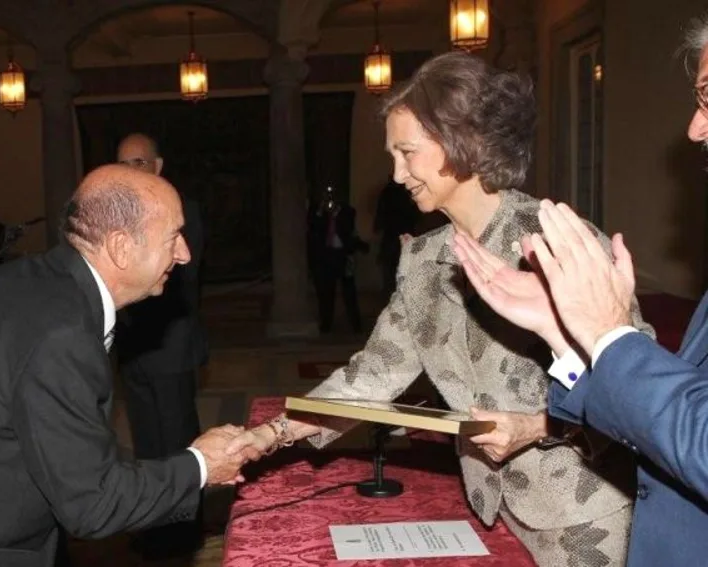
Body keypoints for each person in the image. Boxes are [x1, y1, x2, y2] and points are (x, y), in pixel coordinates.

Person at [225, 51, 650, 565]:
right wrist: (271, 434)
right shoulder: (424, 260)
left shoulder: (558, 243)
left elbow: (638, 391)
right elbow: (373, 374)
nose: (397, 173)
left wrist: (535, 427)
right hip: (492, 505)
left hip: (583, 513)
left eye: (407, 152)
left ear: (461, 141)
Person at [0, 164, 253, 567]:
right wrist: (200, 465)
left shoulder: (30, 280)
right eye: (173, 236)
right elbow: (93, 503)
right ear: (122, 247)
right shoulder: (61, 333)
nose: (184, 254)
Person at [450, 15, 708, 565]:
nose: (694, 127)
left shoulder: (544, 227)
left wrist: (609, 335)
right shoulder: (426, 253)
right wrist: (565, 341)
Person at [114, 132, 210, 558]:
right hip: (133, 350)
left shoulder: (181, 211)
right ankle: (154, 528)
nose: (129, 171)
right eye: (122, 163)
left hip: (170, 348)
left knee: (177, 447)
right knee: (147, 447)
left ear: (157, 166)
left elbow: (179, 281)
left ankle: (184, 534)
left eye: (137, 162)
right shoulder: (115, 215)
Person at [307, 186, 367, 333]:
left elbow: (348, 230)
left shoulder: (348, 212)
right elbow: (313, 227)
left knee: (349, 292)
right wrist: (321, 213)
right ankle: (326, 324)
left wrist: (336, 214)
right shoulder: (318, 212)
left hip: (343, 255)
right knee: (326, 293)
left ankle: (356, 325)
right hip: (326, 256)